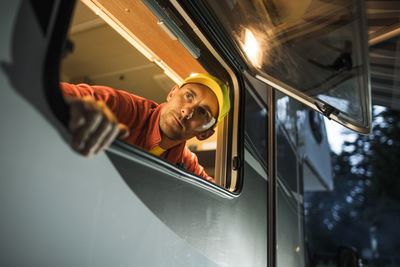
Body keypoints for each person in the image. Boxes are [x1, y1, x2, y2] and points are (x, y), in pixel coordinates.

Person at [60, 73, 230, 183]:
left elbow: (214, 195)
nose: (187, 111)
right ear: (172, 93)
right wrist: (73, 107)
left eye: (202, 113)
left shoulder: (185, 162)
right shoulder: (122, 107)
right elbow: (52, 87)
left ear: (205, 134)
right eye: (189, 96)